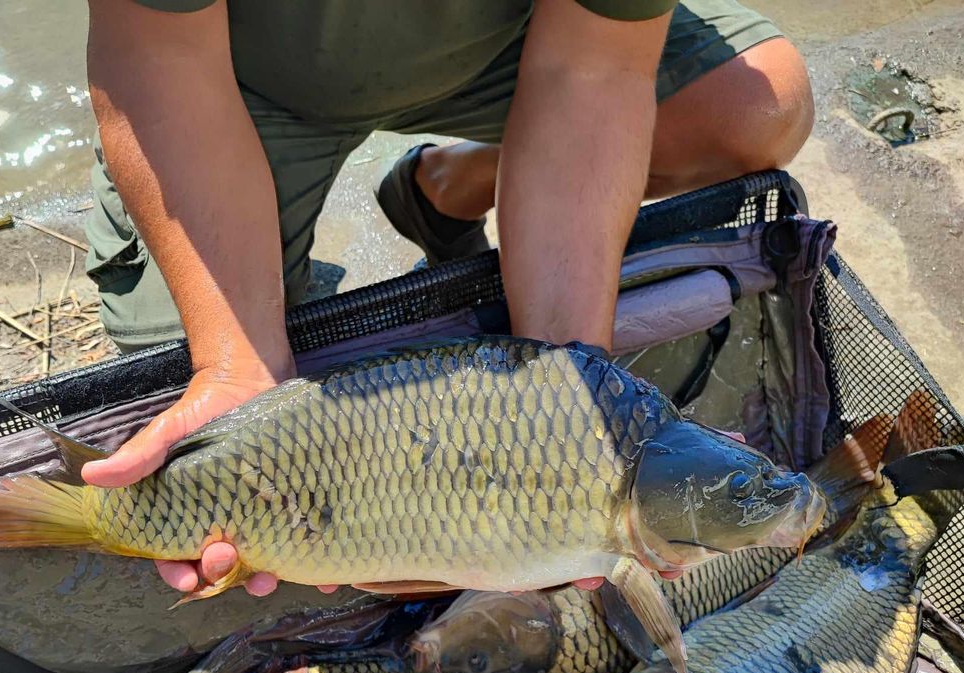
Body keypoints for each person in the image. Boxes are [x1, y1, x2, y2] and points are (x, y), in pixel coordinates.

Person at [80, 0, 813, 597]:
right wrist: (233, 368)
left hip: (508, 47)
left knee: (757, 106)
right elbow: (157, 60)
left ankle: (447, 187)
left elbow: (592, 69)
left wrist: (570, 387)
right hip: (237, 77)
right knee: (175, 385)